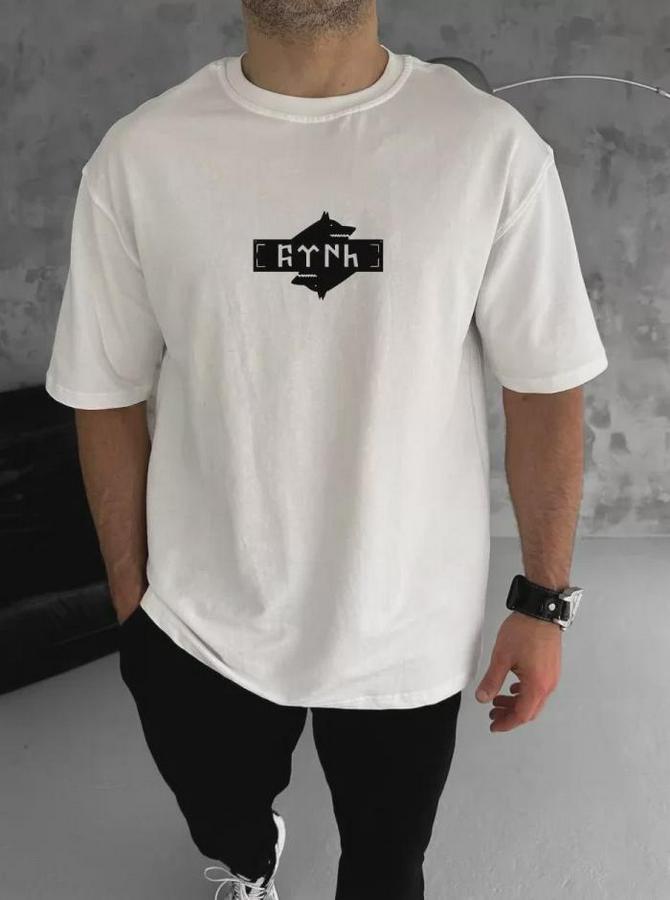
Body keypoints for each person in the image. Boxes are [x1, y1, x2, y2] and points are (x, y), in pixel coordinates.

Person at [45, 1, 608, 898]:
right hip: (200, 617)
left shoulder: (488, 148)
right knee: (222, 823)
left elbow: (545, 384)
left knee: (386, 867)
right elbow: (103, 390)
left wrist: (543, 604)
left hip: (407, 623)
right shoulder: (141, 156)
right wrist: (132, 604)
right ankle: (250, 860)